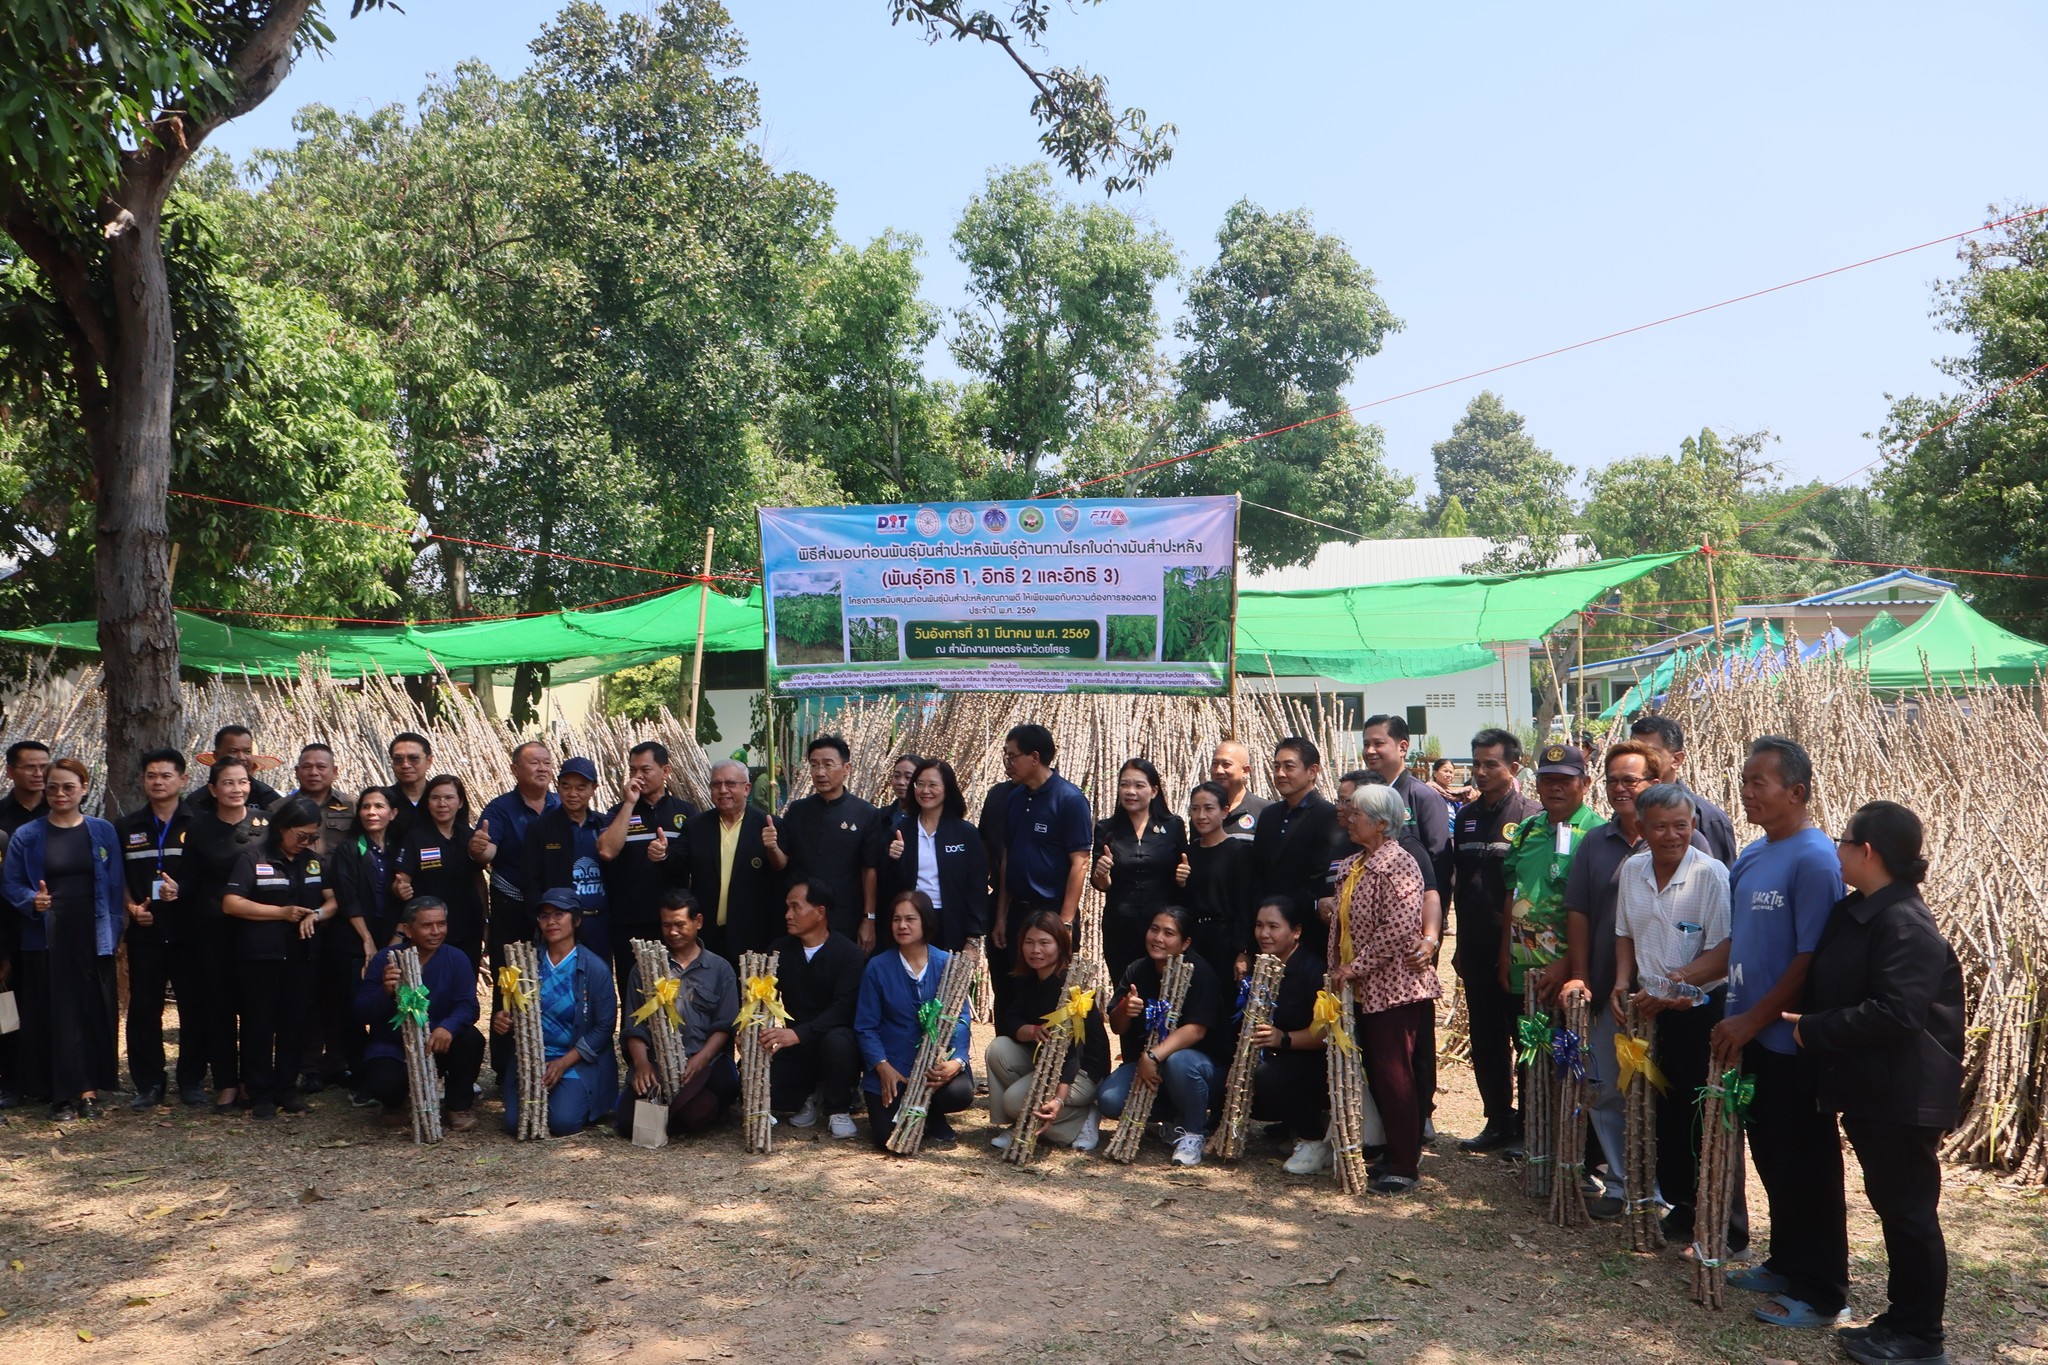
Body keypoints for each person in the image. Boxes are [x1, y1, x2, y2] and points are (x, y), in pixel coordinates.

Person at [1788, 801, 1964, 1365]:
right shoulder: (1860, 910)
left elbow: (1897, 1013)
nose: (1835, 851)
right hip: (1873, 1090)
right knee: (1895, 1207)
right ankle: (1900, 1319)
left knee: (1911, 1213)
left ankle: (1922, 1338)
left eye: (1843, 841)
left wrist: (1815, 1031)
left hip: (1904, 1094)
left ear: (1866, 851)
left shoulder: (1905, 923)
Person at [1715, 736, 1849, 1330]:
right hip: (1751, 1041)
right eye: (1745, 781)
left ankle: (1823, 1293)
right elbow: (1735, 944)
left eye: (1758, 783)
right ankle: (1787, 1261)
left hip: (1788, 1041)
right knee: (1772, 1156)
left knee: (1808, 1166)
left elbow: (1809, 961)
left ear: (1795, 792)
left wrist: (1751, 1020)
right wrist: (1679, 982)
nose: (1747, 792)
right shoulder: (1752, 853)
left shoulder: (1815, 860)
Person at [1561, 739, 1699, 1218]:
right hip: (1611, 990)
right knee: (1606, 1088)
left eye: (1632, 779)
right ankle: (1622, 1184)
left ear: (1655, 783)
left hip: (1673, 996)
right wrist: (1581, 976)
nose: (1621, 787)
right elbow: (1578, 912)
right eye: (1614, 779)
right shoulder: (1595, 843)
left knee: (1663, 1092)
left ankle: (1665, 1190)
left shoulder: (1685, 840)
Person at [1611, 783, 1742, 1258]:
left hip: (1699, 1012)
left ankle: (1727, 1226)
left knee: (1705, 1117)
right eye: (1661, 826)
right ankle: (1684, 1208)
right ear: (1641, 828)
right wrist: (1622, 982)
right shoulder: (1632, 870)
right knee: (1664, 1113)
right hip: (1647, 1011)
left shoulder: (1711, 875)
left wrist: (1673, 984)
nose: (1672, 835)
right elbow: (1624, 933)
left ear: (1694, 826)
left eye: (1681, 826)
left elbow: (1725, 950)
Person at [1330, 784, 1441, 1194]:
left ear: (1380, 822)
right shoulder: (1355, 864)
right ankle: (1394, 1151)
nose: (1349, 818)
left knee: (1396, 1074)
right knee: (1379, 1072)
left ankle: (1404, 1163)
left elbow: (1397, 928)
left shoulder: (1399, 864)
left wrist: (1354, 967)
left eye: (1357, 812)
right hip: (1361, 986)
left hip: (1393, 987)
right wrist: (1336, 970)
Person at [2, 758, 123, 1120]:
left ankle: (88, 1089)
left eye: (68, 786)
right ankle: (60, 1095)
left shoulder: (102, 831)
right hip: (47, 932)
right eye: (52, 787)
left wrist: (117, 933)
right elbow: (9, 883)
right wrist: (31, 901)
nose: (59, 793)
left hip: (94, 931)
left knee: (91, 1009)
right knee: (54, 1011)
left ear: (84, 788)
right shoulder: (28, 834)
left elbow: (115, 884)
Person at [1450, 728, 1539, 1154]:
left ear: (1514, 768)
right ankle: (1497, 1120)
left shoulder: (1531, 817)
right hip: (1476, 949)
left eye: (1491, 764)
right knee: (1486, 1039)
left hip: (1519, 952)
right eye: (1476, 764)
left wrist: (1514, 953)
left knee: (1523, 1037)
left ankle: (1528, 1125)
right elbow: (1461, 888)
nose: (1481, 772)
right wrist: (1460, 949)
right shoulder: (1465, 816)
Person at [220, 795, 336, 1120]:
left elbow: (333, 901)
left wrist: (317, 914)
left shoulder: (313, 861)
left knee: (294, 1025)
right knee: (259, 1025)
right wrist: (279, 913)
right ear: (282, 828)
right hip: (261, 958)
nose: (307, 842)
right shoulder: (253, 858)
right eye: (301, 835)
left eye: (313, 836)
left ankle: (287, 1088)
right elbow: (231, 903)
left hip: (302, 958)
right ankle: (259, 1093)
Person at [1098, 906, 1225, 1167]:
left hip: (1200, 1070)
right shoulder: (1137, 969)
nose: (1158, 938)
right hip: (1148, 1069)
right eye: (1154, 929)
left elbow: (1197, 1029)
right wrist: (1125, 1009)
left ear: (1186, 942)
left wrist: (1152, 1056)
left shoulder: (1200, 972)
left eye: (1169, 933)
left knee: (1180, 1062)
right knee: (1109, 1099)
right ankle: (1172, 1118)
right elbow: (1117, 1027)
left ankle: (1193, 1132)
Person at [613, 890, 741, 1140]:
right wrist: (642, 1064)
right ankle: (675, 1112)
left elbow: (724, 1026)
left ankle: (685, 1111)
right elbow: (633, 1026)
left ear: (698, 922)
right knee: (627, 1120)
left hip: (704, 1064)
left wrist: (702, 1058)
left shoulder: (719, 969)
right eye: (666, 925)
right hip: (659, 1063)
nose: (672, 932)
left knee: (695, 1110)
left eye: (680, 924)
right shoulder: (645, 969)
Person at [854, 890, 975, 1150]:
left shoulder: (948, 964)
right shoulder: (877, 966)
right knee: (884, 1138)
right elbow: (866, 1026)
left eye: (910, 919)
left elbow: (961, 1018)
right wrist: (882, 1065)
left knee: (960, 1093)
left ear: (926, 922)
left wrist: (957, 1061)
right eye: (896, 919)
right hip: (894, 1066)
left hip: (934, 1067)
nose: (902, 925)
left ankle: (932, 1113)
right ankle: (913, 1110)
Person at [492, 888, 619, 1136]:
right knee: (516, 1123)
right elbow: (511, 1010)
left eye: (559, 914)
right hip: (532, 1059)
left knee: (562, 1123)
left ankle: (578, 1095)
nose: (551, 922)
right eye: (544, 916)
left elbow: (605, 1026)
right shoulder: (527, 963)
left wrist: (563, 1062)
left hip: (573, 1060)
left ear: (577, 920)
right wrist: (503, 1020)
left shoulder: (594, 968)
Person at [183, 756, 270, 1113]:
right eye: (229, 783)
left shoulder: (265, 824)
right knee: (218, 1008)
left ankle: (253, 1081)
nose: (237, 789)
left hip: (256, 927)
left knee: (255, 1006)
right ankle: (226, 1083)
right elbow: (190, 878)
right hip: (212, 930)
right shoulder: (199, 828)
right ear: (212, 789)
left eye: (243, 782)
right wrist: (176, 890)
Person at [984, 910, 1110, 1152]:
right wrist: (1030, 1031)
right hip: (1046, 1062)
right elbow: (1011, 1019)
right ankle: (1020, 1122)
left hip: (1081, 1073)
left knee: (1013, 1100)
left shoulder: (1071, 988)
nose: (1035, 950)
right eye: (1029, 943)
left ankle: (1081, 1118)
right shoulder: (1030, 978)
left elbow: (1073, 1055)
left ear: (1061, 945)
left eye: (1044, 943)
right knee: (998, 1049)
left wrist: (1059, 1099)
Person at [355, 895, 484, 1132]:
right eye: (426, 925)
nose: (436, 931)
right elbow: (362, 1012)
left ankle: (457, 1105)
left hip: (440, 1041)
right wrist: (384, 991)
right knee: (383, 1082)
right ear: (407, 929)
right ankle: (394, 1104)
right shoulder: (386, 959)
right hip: (394, 1045)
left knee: (471, 1039)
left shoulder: (456, 958)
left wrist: (448, 1027)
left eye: (441, 924)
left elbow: (468, 1006)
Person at [114, 748, 198, 1109]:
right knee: (144, 1008)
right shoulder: (126, 826)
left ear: (183, 779)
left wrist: (184, 891)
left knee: (195, 1007)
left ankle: (192, 1080)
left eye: (166, 775)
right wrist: (132, 908)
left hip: (190, 932)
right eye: (152, 776)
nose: (158, 782)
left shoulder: (200, 824)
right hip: (145, 931)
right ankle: (148, 1083)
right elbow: (116, 879)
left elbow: (211, 877)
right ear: (143, 781)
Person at [1497, 743, 1603, 1011]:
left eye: (1565, 781)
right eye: (1548, 780)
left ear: (1585, 783)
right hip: (1524, 968)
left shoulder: (1598, 834)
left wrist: (1567, 965)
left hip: (1572, 976)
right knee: (1527, 1047)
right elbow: (1512, 891)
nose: (1555, 788)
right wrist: (1505, 956)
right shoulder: (1526, 830)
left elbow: (1602, 913)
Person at [757, 878, 864, 1138]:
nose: (788, 915)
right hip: (795, 1045)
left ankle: (838, 1106)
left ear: (820, 912)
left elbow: (844, 1008)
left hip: (834, 1042)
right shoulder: (779, 950)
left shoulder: (848, 954)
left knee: (838, 1041)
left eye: (795, 907)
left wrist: (799, 1034)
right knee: (766, 1084)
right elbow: (762, 999)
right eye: (787, 907)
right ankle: (808, 1095)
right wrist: (755, 1031)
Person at [993, 724, 1092, 985]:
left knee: (1053, 993)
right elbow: (1008, 858)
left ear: (1034, 758)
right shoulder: (1014, 799)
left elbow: (1080, 863)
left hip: (1053, 912)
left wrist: (1066, 922)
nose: (1008, 763)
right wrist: (1002, 916)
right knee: (1015, 991)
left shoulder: (1069, 800)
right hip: (1018, 912)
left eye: (1012, 756)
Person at [596, 741, 696, 988]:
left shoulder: (686, 812)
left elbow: (695, 861)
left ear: (666, 771)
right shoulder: (619, 811)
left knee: (675, 996)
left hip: (673, 924)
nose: (637, 776)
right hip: (629, 921)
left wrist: (665, 854)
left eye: (645, 770)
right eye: (632, 770)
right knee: (634, 992)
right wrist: (629, 804)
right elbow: (607, 851)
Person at [1244, 895, 1332, 1175]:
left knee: (1268, 1076)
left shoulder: (1313, 971)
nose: (1264, 934)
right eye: (1259, 926)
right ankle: (1291, 1127)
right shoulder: (1261, 965)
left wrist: (1284, 1039)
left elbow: (1328, 1033)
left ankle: (1313, 1138)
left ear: (1296, 931)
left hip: (1316, 1065)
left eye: (1273, 926)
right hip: (1279, 1057)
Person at [318, 788, 390, 1103]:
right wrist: (367, 940)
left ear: (393, 812)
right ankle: (362, 1079)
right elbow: (346, 896)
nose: (371, 812)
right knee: (352, 1010)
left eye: (379, 806)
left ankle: (385, 1075)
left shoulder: (401, 849)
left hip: (393, 940)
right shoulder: (349, 848)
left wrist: (393, 940)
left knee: (389, 1008)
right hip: (352, 940)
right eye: (365, 806)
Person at [873, 758, 988, 951]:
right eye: (920, 784)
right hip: (910, 920)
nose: (925, 791)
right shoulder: (901, 830)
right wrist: (892, 860)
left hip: (951, 923)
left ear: (947, 789)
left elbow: (976, 887)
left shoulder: (965, 833)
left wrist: (973, 936)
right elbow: (887, 886)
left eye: (933, 785)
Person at [1092, 758, 1189, 985]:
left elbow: (1184, 877)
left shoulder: (1173, 826)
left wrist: (1183, 877)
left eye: (1139, 785)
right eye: (1124, 785)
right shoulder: (1106, 828)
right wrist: (1101, 872)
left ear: (1154, 791)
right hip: (1120, 926)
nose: (1130, 791)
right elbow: (1101, 884)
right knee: (1125, 988)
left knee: (1162, 988)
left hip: (1161, 928)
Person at [778, 735, 880, 949]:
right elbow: (782, 861)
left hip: (845, 916)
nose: (820, 772)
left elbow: (869, 869)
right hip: (801, 916)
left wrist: (868, 918)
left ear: (846, 768)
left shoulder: (865, 814)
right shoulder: (797, 811)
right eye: (814, 765)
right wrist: (771, 846)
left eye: (827, 765)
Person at [687, 759, 786, 963]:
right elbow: (676, 864)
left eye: (730, 784)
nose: (723, 790)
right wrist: (662, 854)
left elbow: (782, 868)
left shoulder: (770, 826)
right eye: (716, 784)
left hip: (754, 939)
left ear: (747, 788)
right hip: (707, 937)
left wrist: (773, 847)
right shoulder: (695, 826)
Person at [520, 756, 613, 961]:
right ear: (558, 787)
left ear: (594, 788)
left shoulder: (604, 825)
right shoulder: (540, 829)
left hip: (601, 923)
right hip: (560, 926)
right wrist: (542, 922)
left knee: (599, 980)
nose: (572, 794)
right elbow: (530, 882)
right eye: (566, 786)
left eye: (581, 788)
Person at [393, 774, 488, 971]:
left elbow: (479, 880)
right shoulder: (416, 837)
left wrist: (485, 919)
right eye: (435, 798)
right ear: (427, 803)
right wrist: (399, 889)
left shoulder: (469, 836)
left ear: (460, 802)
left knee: (464, 984)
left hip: (468, 927)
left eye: (449, 798)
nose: (442, 804)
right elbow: (401, 880)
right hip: (429, 931)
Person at [472, 740, 559, 953]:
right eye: (534, 762)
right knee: (512, 976)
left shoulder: (563, 805)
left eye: (547, 763)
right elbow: (487, 851)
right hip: (512, 905)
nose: (542, 768)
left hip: (558, 908)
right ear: (515, 769)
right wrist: (480, 849)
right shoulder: (500, 808)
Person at [0, 740, 49, 1108]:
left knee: (49, 1004)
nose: (39, 774)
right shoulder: (1, 817)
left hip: (53, 928)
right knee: (8, 1007)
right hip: (8, 928)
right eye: (30, 767)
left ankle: (50, 1080)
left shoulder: (62, 810)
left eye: (43, 766)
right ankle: (11, 1081)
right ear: (10, 771)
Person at [1252, 737, 1347, 924]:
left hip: (1307, 923)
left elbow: (1323, 875)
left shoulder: (1329, 816)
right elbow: (1258, 869)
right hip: (1267, 923)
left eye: (1289, 767)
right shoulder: (1268, 814)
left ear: (1312, 771)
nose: (1280, 773)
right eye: (1276, 766)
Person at [1627, 716, 1738, 865]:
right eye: (1635, 753)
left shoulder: (1708, 819)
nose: (1641, 761)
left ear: (1676, 760)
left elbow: (1720, 880)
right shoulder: (1626, 810)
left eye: (1651, 753)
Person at [1362, 714, 1453, 892]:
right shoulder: (1362, 797)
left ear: (1403, 747)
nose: (1370, 751)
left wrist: (1432, 913)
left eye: (1378, 744)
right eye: (1366, 744)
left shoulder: (1424, 797)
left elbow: (1440, 864)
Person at [1177, 781, 1256, 984]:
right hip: (1193, 940)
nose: (1201, 816)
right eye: (1195, 809)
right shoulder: (1189, 852)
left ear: (1224, 811)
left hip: (1225, 940)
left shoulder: (1238, 852)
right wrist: (1181, 883)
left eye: (1208, 808)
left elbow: (1244, 904)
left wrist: (1243, 950)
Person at [185, 726, 283, 815]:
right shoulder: (196, 801)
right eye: (233, 751)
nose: (241, 757)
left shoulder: (268, 798)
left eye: (247, 751)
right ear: (216, 755)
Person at [284, 743, 356, 858]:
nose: (313, 773)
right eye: (307, 767)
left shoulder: (354, 805)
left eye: (321, 767)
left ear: (335, 771)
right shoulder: (280, 808)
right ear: (297, 771)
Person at [1209, 739, 1270, 840]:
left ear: (1245, 771)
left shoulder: (1265, 812)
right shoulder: (1203, 813)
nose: (1218, 771)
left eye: (1226, 765)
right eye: (1215, 764)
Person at [383, 731, 433, 842]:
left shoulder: (442, 799)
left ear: (429, 761)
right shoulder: (383, 800)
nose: (405, 765)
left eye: (414, 758)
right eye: (398, 759)